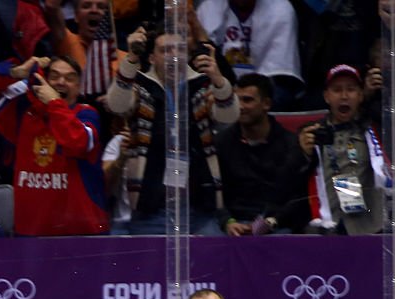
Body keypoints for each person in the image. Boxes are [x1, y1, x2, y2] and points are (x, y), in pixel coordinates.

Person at [106, 25, 239, 235]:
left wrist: (218, 79)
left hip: (199, 206)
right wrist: (131, 58)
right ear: (151, 57)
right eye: (165, 50)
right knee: (152, 267)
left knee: (210, 266)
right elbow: (117, 106)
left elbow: (229, 117)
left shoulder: (202, 85)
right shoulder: (140, 85)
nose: (173, 55)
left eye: (179, 49)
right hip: (152, 205)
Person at [0, 55, 110, 235]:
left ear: (79, 87)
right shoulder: (24, 114)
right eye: (54, 77)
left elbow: (77, 142)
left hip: (80, 234)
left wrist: (54, 103)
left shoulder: (87, 115)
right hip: (30, 234)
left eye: (70, 78)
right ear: (44, 82)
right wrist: (14, 72)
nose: (61, 82)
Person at [300, 64, 394, 235]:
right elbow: (291, 180)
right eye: (337, 90)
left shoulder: (374, 129)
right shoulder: (311, 132)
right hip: (325, 227)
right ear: (326, 96)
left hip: (369, 228)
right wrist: (303, 155)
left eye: (351, 89)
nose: (344, 96)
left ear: (360, 95)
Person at [214, 73, 308, 235]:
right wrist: (227, 221)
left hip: (275, 223)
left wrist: (271, 221)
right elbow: (213, 191)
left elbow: (297, 196)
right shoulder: (222, 142)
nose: (240, 106)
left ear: (266, 104)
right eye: (237, 100)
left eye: (247, 100)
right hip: (232, 221)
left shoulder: (291, 144)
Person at [196, 0, 303, 110]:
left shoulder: (281, 8)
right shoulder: (209, 7)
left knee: (276, 95)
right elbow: (204, 60)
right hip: (222, 79)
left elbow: (277, 72)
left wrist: (237, 94)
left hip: (266, 84)